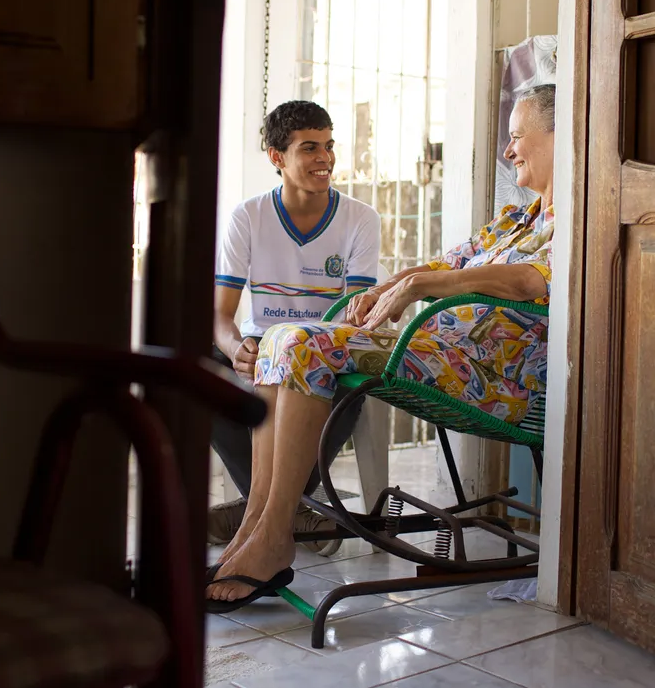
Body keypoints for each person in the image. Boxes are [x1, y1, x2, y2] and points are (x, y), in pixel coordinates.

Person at [206, 84, 556, 612]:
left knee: (303, 342)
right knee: (280, 338)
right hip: (441, 352)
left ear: (560, 138)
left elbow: (529, 282)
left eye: (516, 138)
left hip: (492, 375)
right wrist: (392, 285)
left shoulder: (575, 221)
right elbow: (444, 266)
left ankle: (272, 535)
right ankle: (256, 527)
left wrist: (417, 289)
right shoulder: (514, 220)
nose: (508, 152)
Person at [210, 100, 382, 557]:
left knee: (326, 376)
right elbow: (219, 314)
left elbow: (355, 315)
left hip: (323, 356)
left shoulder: (361, 220)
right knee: (199, 374)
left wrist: (298, 348)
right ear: (276, 157)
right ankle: (293, 513)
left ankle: (260, 515)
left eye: (328, 146)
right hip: (260, 349)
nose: (324, 158)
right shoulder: (248, 218)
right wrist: (233, 348)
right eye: (309, 148)